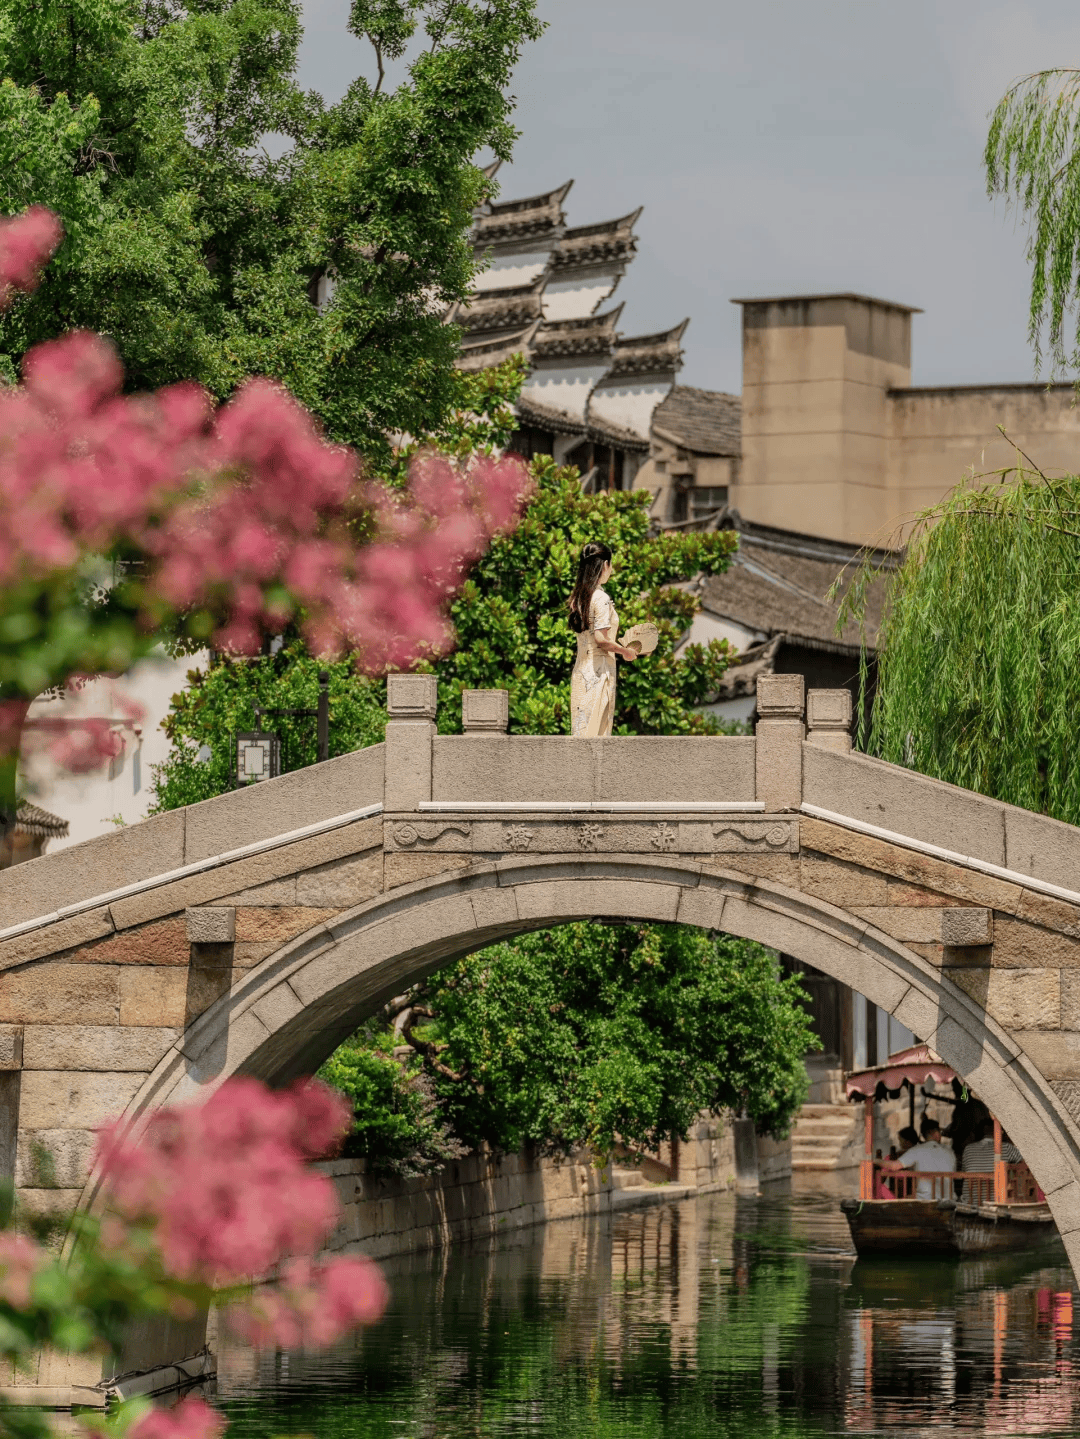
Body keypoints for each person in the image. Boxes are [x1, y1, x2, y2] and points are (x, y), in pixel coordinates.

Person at [567, 542, 637, 738]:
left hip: (581, 672)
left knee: (581, 734)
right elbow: (601, 639)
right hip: (599, 673)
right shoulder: (601, 598)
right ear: (605, 565)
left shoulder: (579, 598)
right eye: (611, 564)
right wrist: (625, 651)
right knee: (597, 737)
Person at [882, 1118, 955, 1200]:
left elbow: (894, 1166)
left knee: (901, 1198)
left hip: (925, 1199)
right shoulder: (950, 1152)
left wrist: (875, 1161)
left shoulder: (916, 1150)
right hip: (949, 1198)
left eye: (901, 1141)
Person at [961, 1118, 1020, 1204]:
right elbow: (1026, 1163)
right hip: (996, 1201)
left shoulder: (968, 1149)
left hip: (971, 1200)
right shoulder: (1006, 1147)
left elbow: (964, 1170)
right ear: (998, 1132)